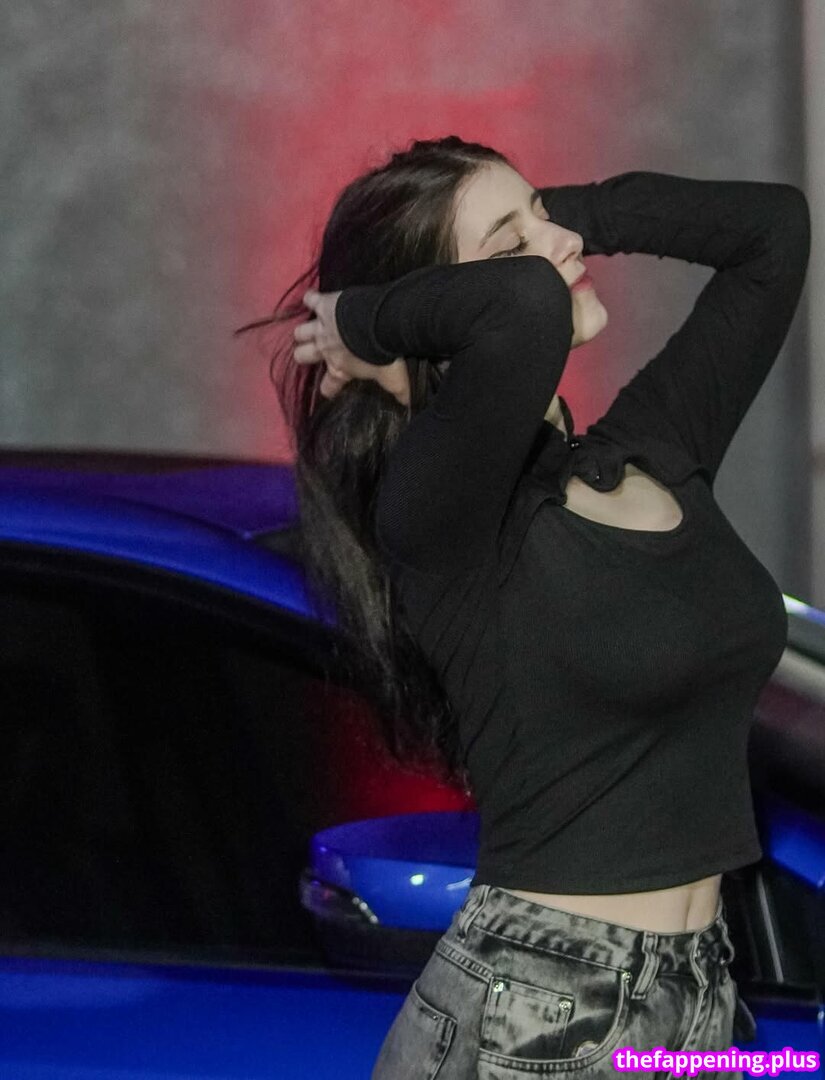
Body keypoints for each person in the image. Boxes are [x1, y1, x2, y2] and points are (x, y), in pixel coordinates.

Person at [242, 136, 810, 1077]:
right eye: (510, 243)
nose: (558, 245)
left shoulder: (646, 450)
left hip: (700, 995)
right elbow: (523, 309)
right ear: (438, 314)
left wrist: (556, 217)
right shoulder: (438, 514)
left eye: (544, 215)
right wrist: (368, 322)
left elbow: (771, 231)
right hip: (541, 1005)